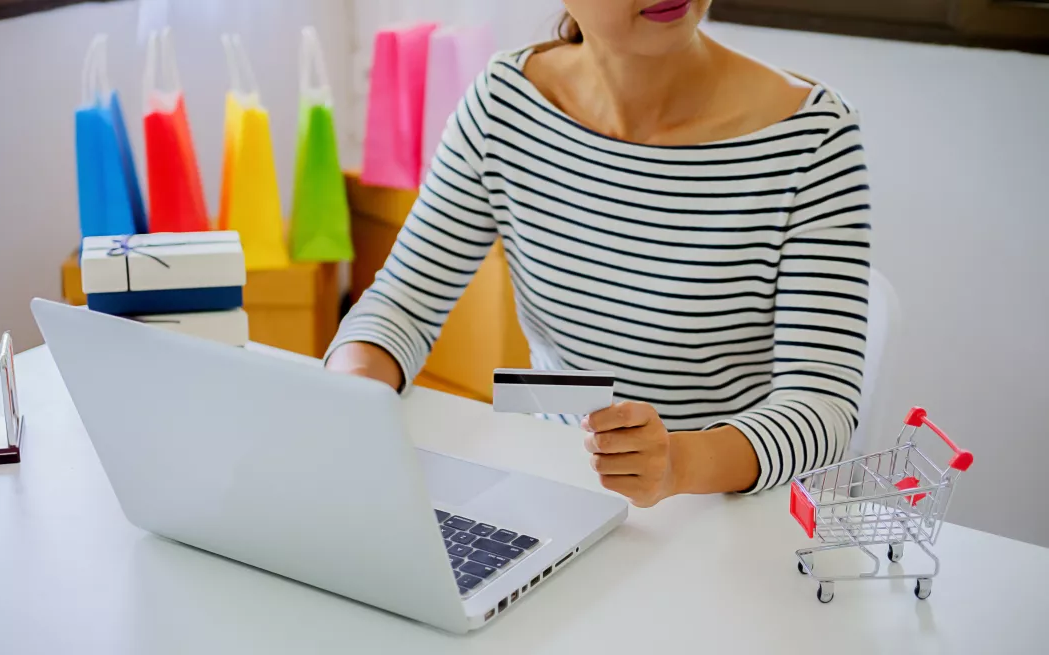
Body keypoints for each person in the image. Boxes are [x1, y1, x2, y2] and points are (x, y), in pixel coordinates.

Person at [327, 0, 870, 507]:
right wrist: (348, 398)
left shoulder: (812, 138)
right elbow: (402, 302)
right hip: (553, 488)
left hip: (720, 509)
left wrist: (679, 464)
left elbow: (823, 405)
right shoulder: (505, 104)